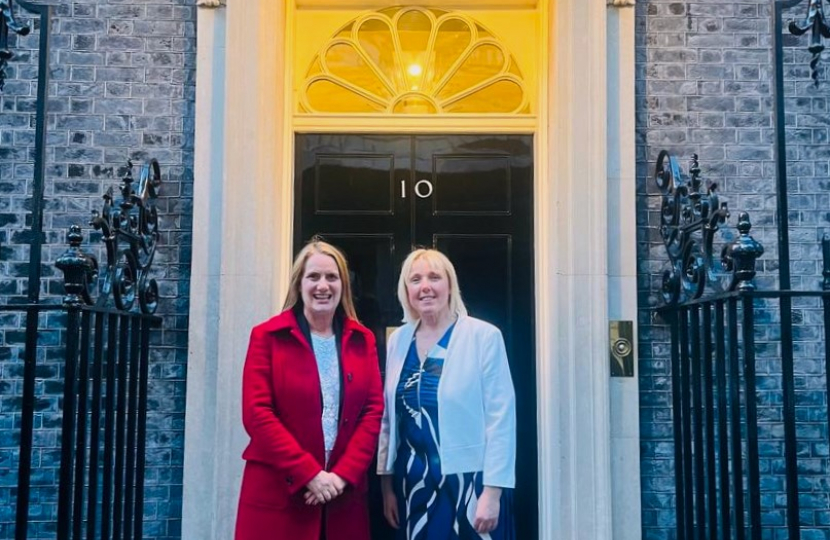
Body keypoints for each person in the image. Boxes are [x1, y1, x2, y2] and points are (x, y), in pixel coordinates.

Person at [235, 240, 384, 540]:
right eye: (313, 277)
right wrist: (310, 474)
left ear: (344, 284)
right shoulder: (267, 336)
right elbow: (257, 414)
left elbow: (372, 411)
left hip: (342, 497)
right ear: (299, 283)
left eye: (332, 277)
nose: (323, 286)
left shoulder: (362, 339)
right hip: (280, 495)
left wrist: (341, 476)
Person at [377, 248, 516, 539]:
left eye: (434, 277)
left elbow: (501, 420)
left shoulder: (484, 337)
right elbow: (389, 420)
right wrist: (386, 485)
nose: (425, 286)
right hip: (413, 484)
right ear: (406, 290)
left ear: (450, 285)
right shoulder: (398, 341)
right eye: (415, 279)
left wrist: (492, 493)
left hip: (469, 484)